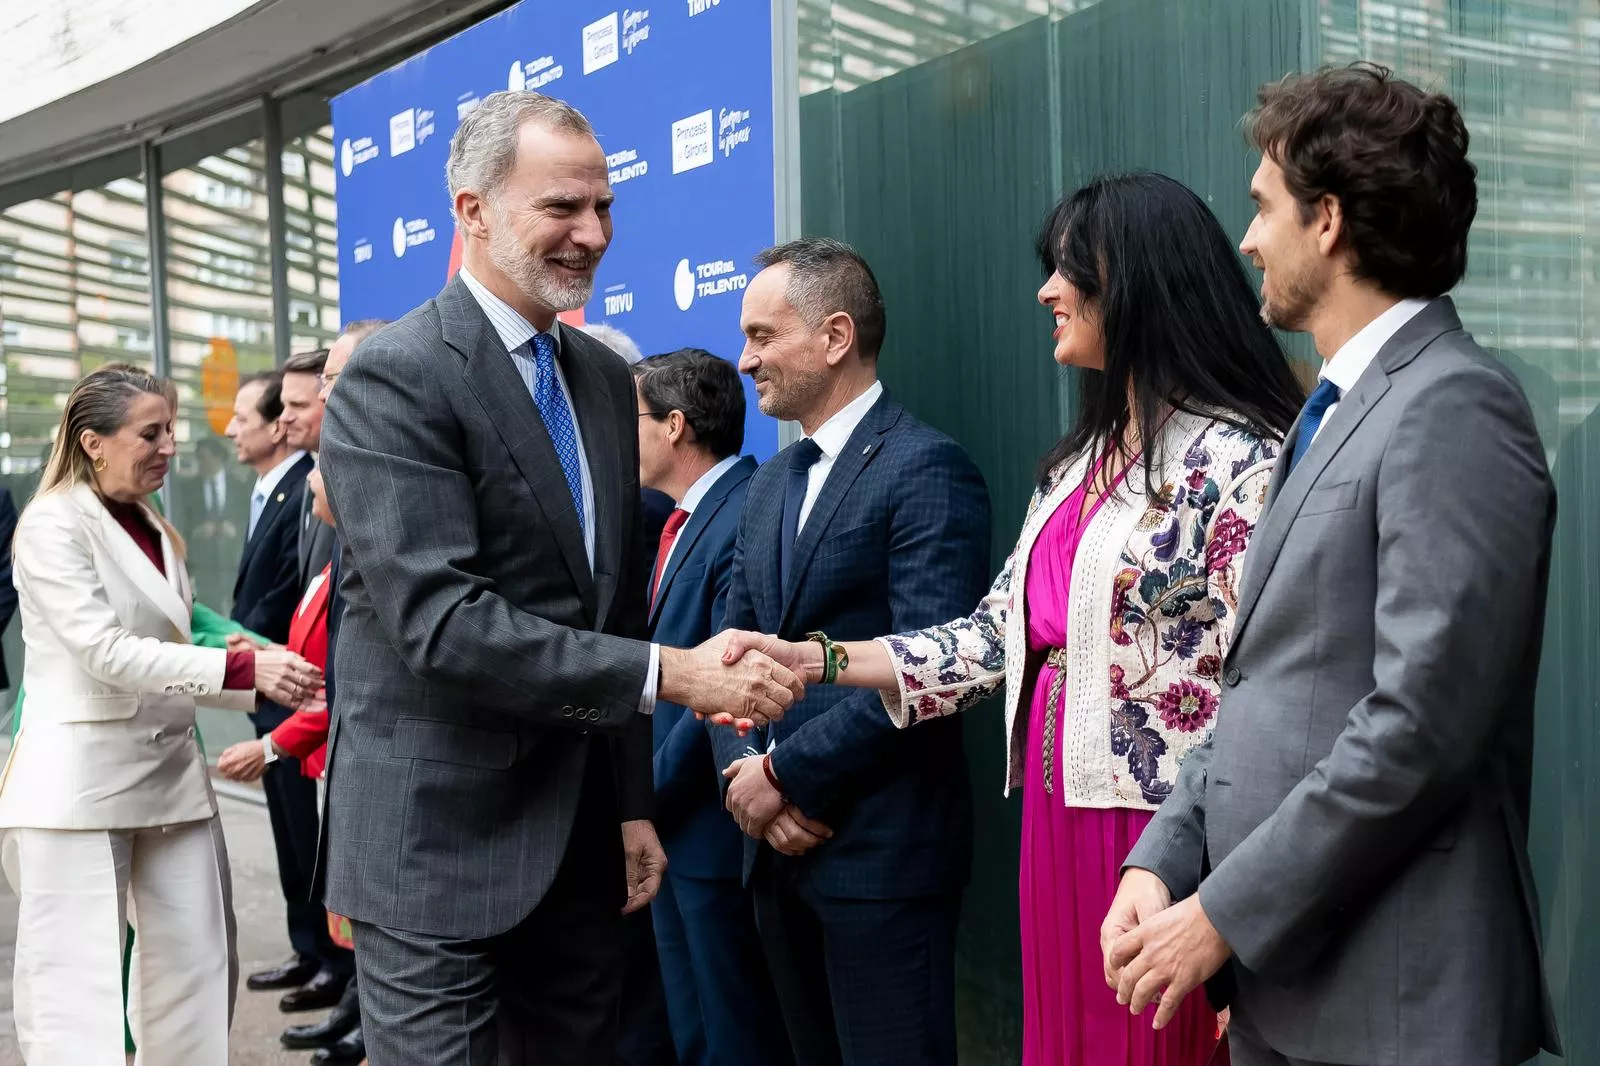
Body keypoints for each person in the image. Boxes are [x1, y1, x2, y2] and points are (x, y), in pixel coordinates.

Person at [715, 179, 1303, 1065]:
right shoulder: (1076, 467)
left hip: (1166, 834)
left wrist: (1224, 888)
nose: (1046, 291)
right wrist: (816, 658)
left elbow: (1262, 686)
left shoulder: (1244, 459)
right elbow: (989, 640)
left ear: (1135, 281)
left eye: (1066, 268)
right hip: (1056, 821)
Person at [317, 89, 802, 1064]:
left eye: (604, 207)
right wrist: (675, 673)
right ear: (472, 211)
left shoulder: (591, 374)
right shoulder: (395, 377)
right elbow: (443, 623)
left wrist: (628, 804)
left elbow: (609, 600)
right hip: (433, 851)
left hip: (581, 855)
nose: (591, 233)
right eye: (560, 207)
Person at [1101, 65, 1562, 1066]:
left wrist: (1220, 911)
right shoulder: (1337, 410)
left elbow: (1420, 726)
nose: (1246, 238)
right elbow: (1273, 685)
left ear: (1330, 221)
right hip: (1298, 988)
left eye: (1262, 206)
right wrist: (1162, 857)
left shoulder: (1454, 405)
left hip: (1397, 998)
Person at [701, 237, 991, 1066]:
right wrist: (743, 773)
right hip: (774, 858)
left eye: (763, 335)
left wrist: (784, 779)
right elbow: (730, 652)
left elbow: (932, 669)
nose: (746, 358)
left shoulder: (927, 468)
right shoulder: (768, 482)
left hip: (882, 861)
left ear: (834, 338)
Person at [0, 363, 319, 1064]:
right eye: (152, 432)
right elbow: (104, 650)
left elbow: (174, 639)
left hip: (170, 781)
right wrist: (244, 669)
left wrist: (262, 673)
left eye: (171, 429)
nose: (171, 445)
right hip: (75, 794)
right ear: (92, 442)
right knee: (75, 993)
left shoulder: (149, 522)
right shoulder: (52, 524)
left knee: (198, 971)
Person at [634, 349, 791, 1066]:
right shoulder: (681, 518)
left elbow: (725, 684)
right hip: (670, 830)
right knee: (693, 1033)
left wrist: (642, 800)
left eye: (629, 419)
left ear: (673, 426)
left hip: (706, 828)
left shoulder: (745, 511)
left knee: (734, 1035)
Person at [226, 371, 345, 1012]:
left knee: (321, 847)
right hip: (284, 696)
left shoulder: (318, 491)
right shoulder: (294, 494)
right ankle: (316, 954)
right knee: (298, 842)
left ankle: (337, 972)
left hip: (300, 701)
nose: (232, 428)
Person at [279, 348, 335, 592]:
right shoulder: (311, 474)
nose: (284, 417)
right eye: (284, 406)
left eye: (298, 406)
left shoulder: (351, 483)